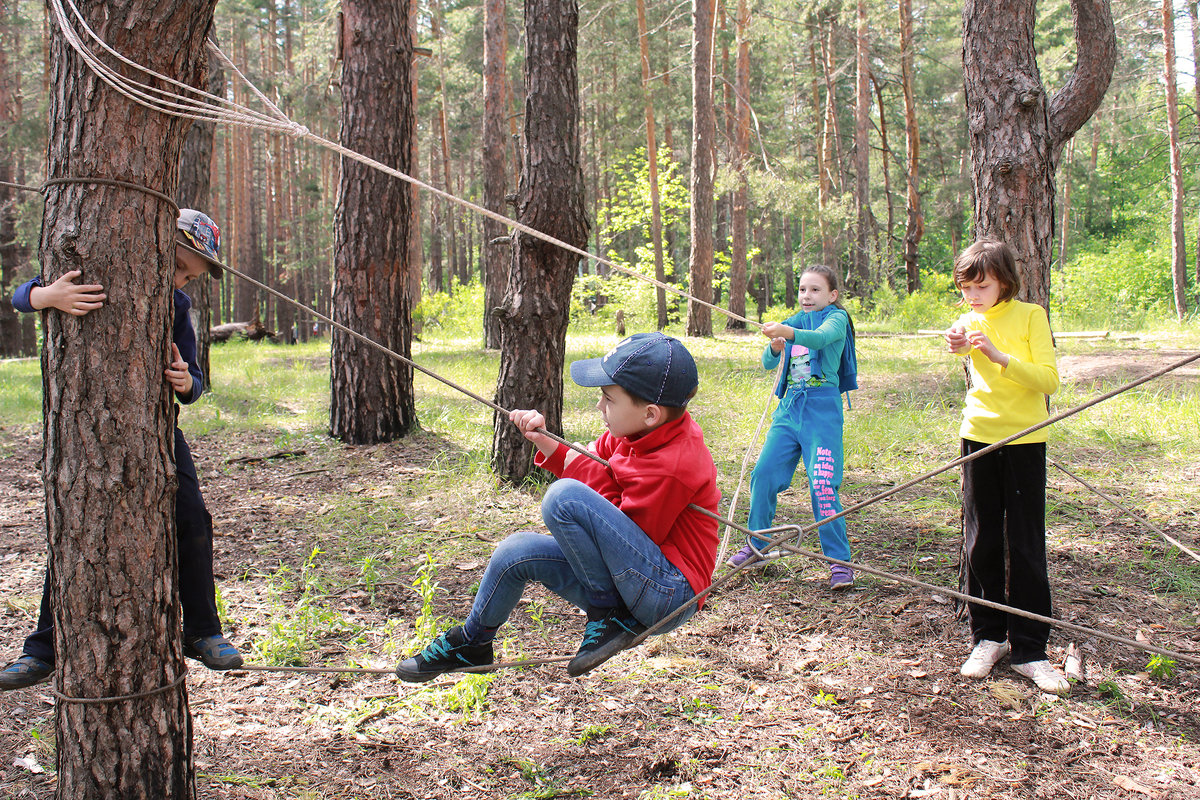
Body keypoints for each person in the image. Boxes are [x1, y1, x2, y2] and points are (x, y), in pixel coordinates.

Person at [0, 209, 244, 690]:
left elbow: (194, 380)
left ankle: (202, 630)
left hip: (155, 431)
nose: (179, 280)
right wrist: (49, 296)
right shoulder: (95, 274)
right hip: (83, 430)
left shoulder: (175, 306)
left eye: (188, 276)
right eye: (177, 266)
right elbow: (19, 296)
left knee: (193, 518)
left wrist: (184, 381)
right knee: (78, 527)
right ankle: (44, 647)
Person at [396, 333, 721, 681]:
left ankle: (607, 614)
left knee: (563, 497)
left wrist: (588, 477)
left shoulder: (675, 465)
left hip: (668, 593)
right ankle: (472, 642)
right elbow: (598, 470)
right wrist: (545, 441)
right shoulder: (636, 432)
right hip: (635, 578)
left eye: (608, 399)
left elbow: (627, 533)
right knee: (515, 552)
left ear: (651, 413)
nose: (599, 407)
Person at [943, 239, 1068, 695]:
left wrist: (999, 356)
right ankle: (988, 637)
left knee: (1027, 542)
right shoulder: (967, 319)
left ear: (1005, 282)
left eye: (982, 286)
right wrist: (957, 343)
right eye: (966, 287)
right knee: (981, 540)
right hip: (978, 437)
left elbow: (1049, 379)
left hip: (1024, 439)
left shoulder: (1031, 316)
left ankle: (1032, 650)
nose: (973, 296)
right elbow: (958, 350)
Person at [727, 265, 858, 591]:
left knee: (823, 484)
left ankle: (840, 564)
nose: (807, 296)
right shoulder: (794, 320)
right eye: (802, 290)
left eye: (815, 290)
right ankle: (757, 544)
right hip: (788, 411)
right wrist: (774, 347)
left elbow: (822, 338)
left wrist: (786, 333)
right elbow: (769, 363)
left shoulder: (836, 318)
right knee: (764, 474)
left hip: (822, 412)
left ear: (832, 295)